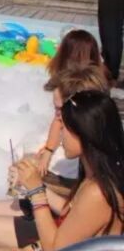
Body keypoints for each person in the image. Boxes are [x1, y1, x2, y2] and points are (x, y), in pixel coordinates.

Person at [0, 70, 124, 251]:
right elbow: (73, 213)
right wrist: (34, 185)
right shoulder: (95, 172)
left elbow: (56, 249)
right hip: (58, 239)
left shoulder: (98, 191)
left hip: (54, 244)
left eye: (65, 129)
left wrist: (37, 191)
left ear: (85, 133)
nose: (60, 137)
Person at [38, 30, 111, 175]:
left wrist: (48, 151)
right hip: (99, 150)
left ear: (65, 55)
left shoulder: (65, 89)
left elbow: (58, 121)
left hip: (76, 152)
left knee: (29, 165)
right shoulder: (99, 83)